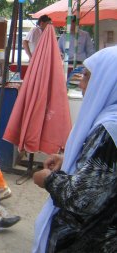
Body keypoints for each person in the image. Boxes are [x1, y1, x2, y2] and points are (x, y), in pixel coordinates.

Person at [32, 46, 117, 253]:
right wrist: (71, 159)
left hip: (91, 240)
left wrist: (47, 179)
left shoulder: (109, 128)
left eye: (87, 77)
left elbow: (83, 198)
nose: (81, 83)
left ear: (109, 82)